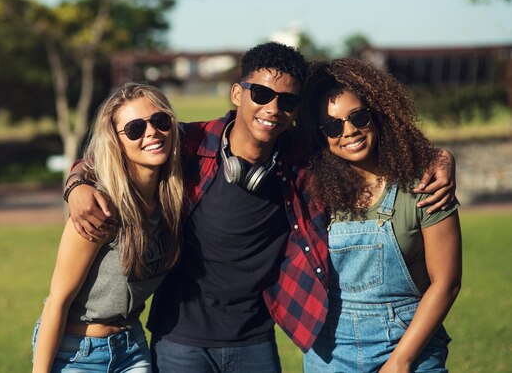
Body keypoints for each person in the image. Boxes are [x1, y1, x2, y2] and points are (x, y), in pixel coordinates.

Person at [64, 42, 457, 373]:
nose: (272, 108)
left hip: (255, 339)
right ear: (238, 94)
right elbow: (121, 152)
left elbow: (368, 142)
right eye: (261, 94)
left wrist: (438, 156)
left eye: (287, 100)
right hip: (178, 338)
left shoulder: (304, 162)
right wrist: (78, 183)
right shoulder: (190, 143)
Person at [301, 58, 462, 373]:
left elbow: (447, 283)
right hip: (331, 353)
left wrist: (401, 361)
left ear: (378, 116)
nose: (349, 131)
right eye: (333, 125)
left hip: (410, 344)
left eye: (358, 117)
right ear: (320, 135)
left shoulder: (425, 184)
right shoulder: (313, 191)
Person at [32, 83, 184, 373]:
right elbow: (57, 302)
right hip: (76, 353)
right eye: (135, 129)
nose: (151, 132)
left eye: (160, 121)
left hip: (131, 347)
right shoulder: (99, 208)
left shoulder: (172, 199)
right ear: (117, 142)